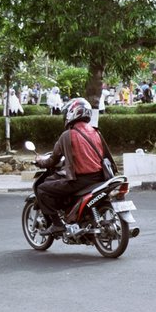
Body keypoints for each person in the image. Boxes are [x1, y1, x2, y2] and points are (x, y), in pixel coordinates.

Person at [34, 98, 118, 235]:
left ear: (72, 113)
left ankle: (57, 225)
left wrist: (39, 161)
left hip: (79, 181)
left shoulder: (67, 135)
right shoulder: (96, 132)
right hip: (100, 178)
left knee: (42, 188)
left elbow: (52, 161)